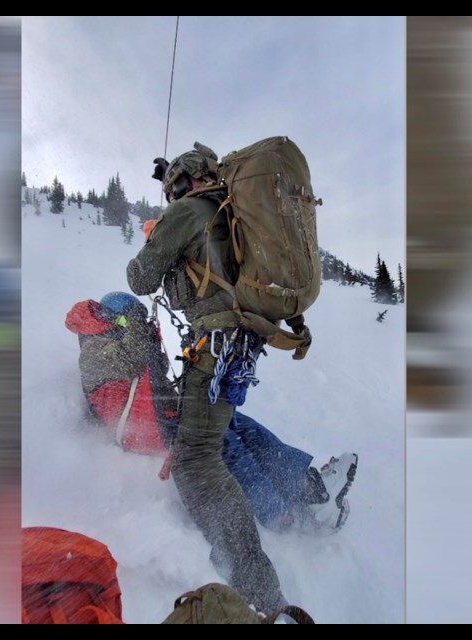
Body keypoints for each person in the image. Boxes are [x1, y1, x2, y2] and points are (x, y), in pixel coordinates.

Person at [125, 146, 339, 613]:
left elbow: (140, 278)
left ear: (183, 182)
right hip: (237, 346)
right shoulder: (230, 213)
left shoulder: (186, 211)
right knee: (223, 430)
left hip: (216, 348)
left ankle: (262, 597)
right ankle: (300, 487)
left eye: (173, 186)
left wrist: (154, 235)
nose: (173, 192)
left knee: (197, 464)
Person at [65, 292, 357, 535]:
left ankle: (307, 486)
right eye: (130, 318)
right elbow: (132, 359)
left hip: (161, 417)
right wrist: (141, 327)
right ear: (115, 320)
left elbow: (151, 373)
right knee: (219, 440)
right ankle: (279, 514)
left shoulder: (115, 343)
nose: (136, 323)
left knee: (237, 422)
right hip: (144, 432)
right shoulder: (93, 350)